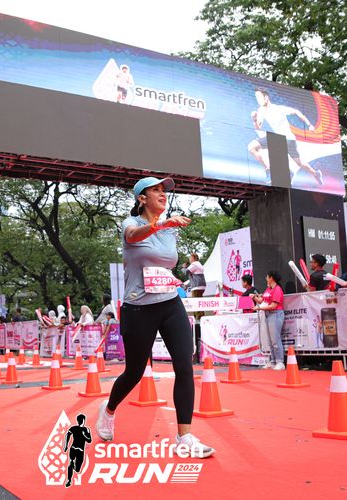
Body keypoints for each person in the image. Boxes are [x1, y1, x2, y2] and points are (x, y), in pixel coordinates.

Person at [96, 176, 214, 458]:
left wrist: (170, 275)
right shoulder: (130, 223)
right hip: (139, 307)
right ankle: (108, 409)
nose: (163, 194)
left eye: (165, 191)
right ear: (141, 198)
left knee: (184, 365)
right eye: (156, 190)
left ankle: (184, 436)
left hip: (170, 303)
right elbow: (133, 236)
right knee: (134, 372)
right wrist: (161, 224)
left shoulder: (170, 231)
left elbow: (165, 263)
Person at [248, 87, 324, 185]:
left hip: (288, 139)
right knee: (252, 147)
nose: (258, 99)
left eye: (259, 96)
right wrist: (254, 120)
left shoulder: (279, 109)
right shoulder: (261, 111)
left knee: (299, 163)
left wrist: (309, 125)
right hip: (277, 138)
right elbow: (258, 128)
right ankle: (269, 171)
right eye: (256, 97)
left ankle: (315, 174)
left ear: (266, 97)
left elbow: (296, 112)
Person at [252, 271, 286, 370]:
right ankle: (273, 361)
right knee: (270, 341)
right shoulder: (268, 289)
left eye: (267, 277)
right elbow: (262, 301)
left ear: (271, 278)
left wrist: (259, 308)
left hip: (275, 314)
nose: (266, 278)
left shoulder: (277, 289)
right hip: (268, 314)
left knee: (275, 340)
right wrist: (254, 297)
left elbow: (273, 306)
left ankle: (280, 362)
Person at [63, 414, 92, 488]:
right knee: (73, 465)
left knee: (76, 467)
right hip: (78, 449)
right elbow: (89, 440)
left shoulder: (76, 428)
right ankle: (69, 479)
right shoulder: (84, 429)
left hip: (75, 449)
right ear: (83, 420)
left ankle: (71, 473)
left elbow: (67, 435)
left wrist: (66, 445)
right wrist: (84, 435)